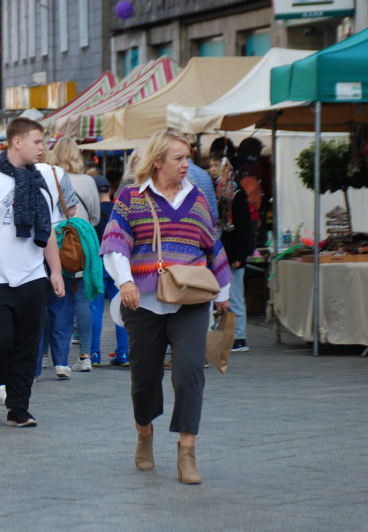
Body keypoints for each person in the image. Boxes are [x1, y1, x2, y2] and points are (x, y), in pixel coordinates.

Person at [99, 130, 231, 485]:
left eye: (188, 158)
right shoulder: (131, 197)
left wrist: (223, 290)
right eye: (179, 158)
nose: (186, 164)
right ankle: (145, 435)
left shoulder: (198, 199)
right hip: (141, 302)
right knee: (144, 379)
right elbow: (114, 243)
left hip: (190, 301)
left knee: (189, 371)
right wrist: (124, 281)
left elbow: (212, 245)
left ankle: (186, 453)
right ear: (158, 162)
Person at [0, 118, 65, 428]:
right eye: (37, 142)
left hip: (32, 275)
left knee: (27, 345)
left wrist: (56, 271)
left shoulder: (41, 180)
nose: (43, 148)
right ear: (17, 142)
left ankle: (18, 407)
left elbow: (47, 229)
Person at [48, 138, 101, 372]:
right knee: (82, 301)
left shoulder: (51, 178)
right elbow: (96, 217)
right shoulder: (89, 181)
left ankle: (45, 356)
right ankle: (86, 356)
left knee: (54, 301)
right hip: (82, 245)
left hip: (56, 244)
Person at [35, 144, 79, 380]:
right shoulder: (57, 173)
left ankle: (34, 366)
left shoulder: (17, 172)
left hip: (30, 245)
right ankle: (61, 362)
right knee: (61, 302)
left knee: (33, 306)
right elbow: (70, 209)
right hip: (59, 241)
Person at [209, 154, 253, 353]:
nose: (211, 170)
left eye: (214, 166)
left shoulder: (236, 194)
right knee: (225, 294)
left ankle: (240, 337)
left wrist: (238, 256)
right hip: (224, 254)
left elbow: (244, 228)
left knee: (234, 296)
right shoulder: (220, 193)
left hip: (234, 255)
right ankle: (230, 335)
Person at [92, 174, 130, 367]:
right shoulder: (118, 209)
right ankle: (123, 353)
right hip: (116, 261)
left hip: (97, 262)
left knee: (96, 308)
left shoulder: (94, 212)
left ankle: (94, 354)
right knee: (120, 306)